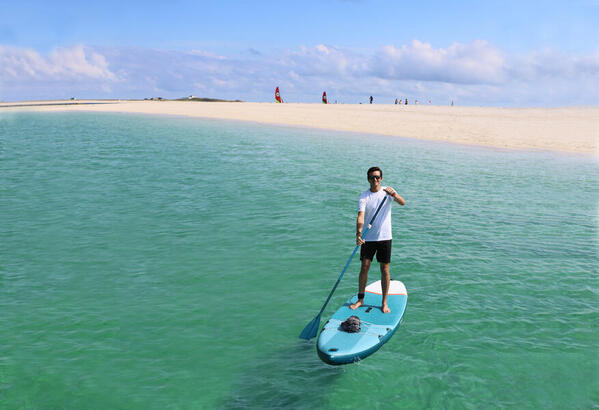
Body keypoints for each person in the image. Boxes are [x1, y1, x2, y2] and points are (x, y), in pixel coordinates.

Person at [350, 167, 406, 313]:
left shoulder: (387, 193)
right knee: (364, 267)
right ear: (368, 179)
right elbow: (360, 216)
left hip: (385, 238)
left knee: (385, 269)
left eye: (377, 177)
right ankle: (360, 299)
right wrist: (358, 233)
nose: (375, 180)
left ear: (381, 178)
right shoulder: (364, 197)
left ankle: (384, 302)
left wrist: (393, 193)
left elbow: (402, 202)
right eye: (372, 177)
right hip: (368, 238)